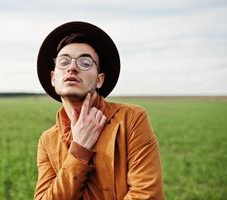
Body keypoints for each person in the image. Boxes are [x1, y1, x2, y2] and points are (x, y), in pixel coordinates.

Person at [34, 21, 165, 200]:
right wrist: (79, 150)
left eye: (85, 63)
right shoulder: (48, 141)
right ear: (53, 78)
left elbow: (147, 195)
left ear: (99, 79)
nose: (72, 68)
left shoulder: (131, 119)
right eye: (64, 62)